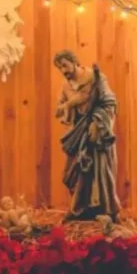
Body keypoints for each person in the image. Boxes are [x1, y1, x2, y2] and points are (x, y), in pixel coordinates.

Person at [53, 49, 121, 221]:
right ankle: (79, 208)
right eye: (60, 68)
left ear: (74, 62)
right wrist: (63, 109)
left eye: (65, 66)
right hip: (79, 132)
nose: (63, 71)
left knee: (102, 169)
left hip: (99, 131)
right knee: (77, 169)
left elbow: (110, 102)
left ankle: (109, 210)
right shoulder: (66, 86)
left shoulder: (95, 78)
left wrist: (98, 124)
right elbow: (61, 106)